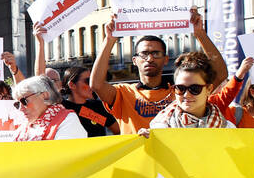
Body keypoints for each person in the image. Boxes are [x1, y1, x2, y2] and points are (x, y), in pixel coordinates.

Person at [91, 8, 226, 134]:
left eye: (156, 53)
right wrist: (109, 40)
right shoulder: (124, 93)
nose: (150, 59)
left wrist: (200, 34)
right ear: (134, 60)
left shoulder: (181, 91)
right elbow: (96, 85)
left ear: (166, 59)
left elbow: (220, 75)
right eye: (144, 54)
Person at [147, 51, 231, 130]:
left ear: (209, 89)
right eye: (180, 88)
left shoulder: (227, 129)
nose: (186, 95)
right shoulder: (159, 127)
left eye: (194, 89)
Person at [12, 75, 88, 141]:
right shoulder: (24, 127)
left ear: (44, 95)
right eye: (17, 104)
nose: (20, 109)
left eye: (24, 101)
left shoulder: (68, 120)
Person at [59, 65, 116, 136]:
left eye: (92, 81)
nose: (92, 85)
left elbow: (118, 130)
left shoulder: (98, 106)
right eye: (88, 81)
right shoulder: (60, 108)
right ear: (72, 85)